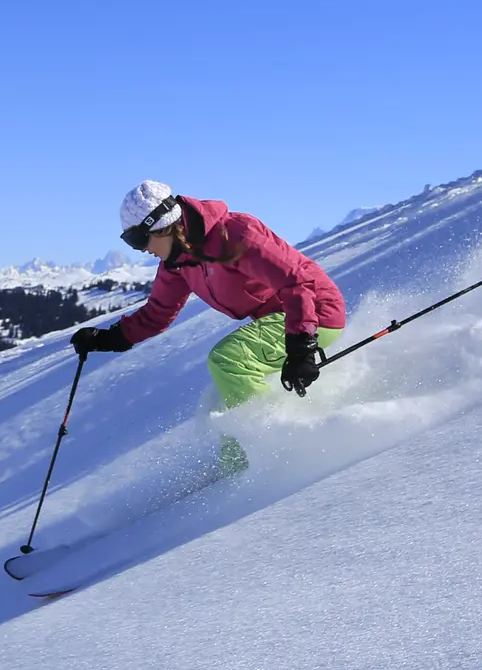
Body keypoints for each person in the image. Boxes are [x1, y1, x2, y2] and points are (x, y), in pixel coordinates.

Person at [71, 181, 347, 471]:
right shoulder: (178, 262)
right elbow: (157, 313)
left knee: (228, 359)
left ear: (162, 225)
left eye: (139, 240)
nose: (141, 250)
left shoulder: (237, 233)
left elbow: (296, 280)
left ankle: (281, 445)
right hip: (281, 321)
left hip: (313, 314)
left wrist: (302, 346)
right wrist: (109, 338)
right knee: (219, 404)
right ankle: (236, 471)